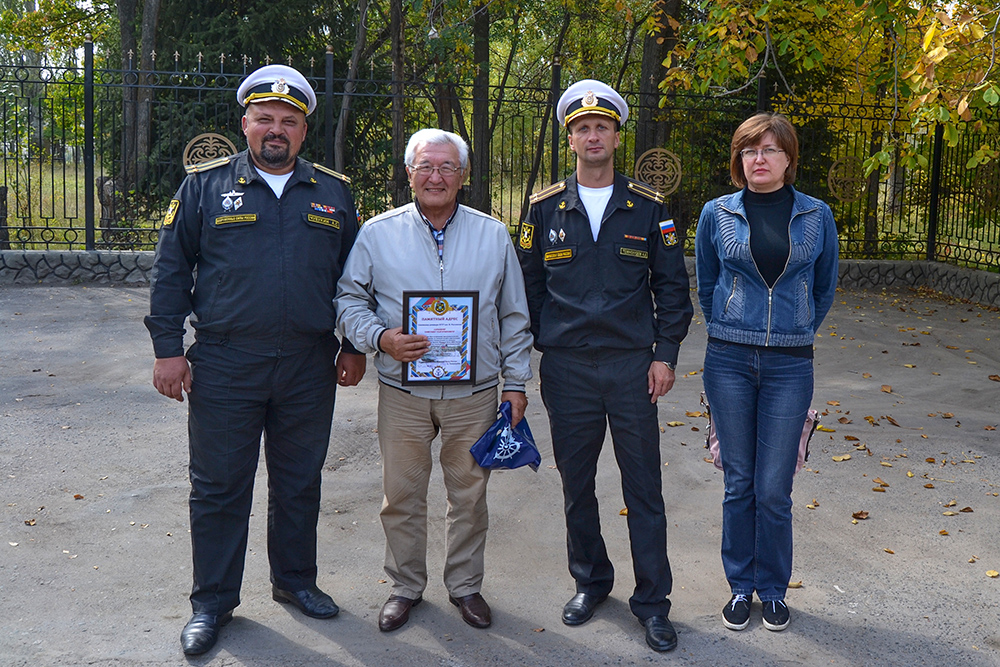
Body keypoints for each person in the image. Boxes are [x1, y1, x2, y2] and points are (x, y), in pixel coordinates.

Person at [144, 64, 366, 656]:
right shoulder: (205, 186)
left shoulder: (332, 193)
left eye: (288, 121)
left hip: (308, 364)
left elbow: (356, 279)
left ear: (303, 130)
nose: (276, 129)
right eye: (264, 118)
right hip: (226, 362)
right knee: (219, 487)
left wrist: (352, 345)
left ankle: (295, 582)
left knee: (299, 482)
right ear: (245, 124)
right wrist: (168, 350)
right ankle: (212, 602)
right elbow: (171, 271)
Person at [517, 80, 693, 653]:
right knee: (577, 486)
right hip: (567, 370)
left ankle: (653, 603)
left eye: (602, 127)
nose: (593, 136)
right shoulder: (544, 208)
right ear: (570, 139)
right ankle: (590, 583)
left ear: (617, 137)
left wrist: (665, 355)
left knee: (644, 488)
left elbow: (673, 289)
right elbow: (528, 285)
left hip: (631, 368)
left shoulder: (648, 207)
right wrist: (548, 340)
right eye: (582, 128)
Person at [336, 128, 533, 632]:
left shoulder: (492, 234)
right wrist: (380, 338)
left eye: (447, 167)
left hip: (475, 393)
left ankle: (465, 585)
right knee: (401, 495)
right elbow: (349, 300)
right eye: (425, 166)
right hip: (403, 393)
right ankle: (405, 586)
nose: (436, 176)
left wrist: (515, 383)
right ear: (409, 173)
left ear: (463, 176)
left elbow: (514, 315)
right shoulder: (378, 233)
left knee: (469, 496)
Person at [694, 113, 838, 632]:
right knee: (739, 484)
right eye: (750, 150)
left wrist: (795, 330)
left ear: (788, 159)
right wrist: (731, 327)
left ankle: (774, 590)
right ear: (740, 158)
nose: (759, 158)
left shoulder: (817, 215)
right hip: (728, 361)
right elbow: (707, 282)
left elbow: (824, 287)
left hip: (790, 367)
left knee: (774, 489)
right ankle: (740, 587)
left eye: (770, 150)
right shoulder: (717, 213)